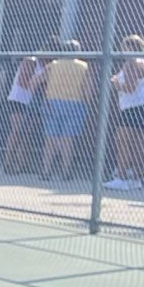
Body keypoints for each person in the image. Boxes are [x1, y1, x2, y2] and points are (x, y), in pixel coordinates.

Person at [108, 35, 144, 189]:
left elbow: (129, 87)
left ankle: (121, 177)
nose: (122, 50)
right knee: (139, 143)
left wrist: (116, 83)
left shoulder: (131, 62)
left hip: (132, 107)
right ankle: (136, 178)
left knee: (123, 141)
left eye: (125, 47)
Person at [38, 38, 90, 181]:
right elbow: (87, 89)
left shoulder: (53, 65)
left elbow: (36, 80)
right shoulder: (83, 66)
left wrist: (44, 97)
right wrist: (87, 104)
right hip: (75, 103)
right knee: (68, 140)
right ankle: (65, 171)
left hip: (52, 102)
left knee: (50, 139)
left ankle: (45, 170)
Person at [3, 50, 45, 174]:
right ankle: (8, 162)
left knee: (27, 133)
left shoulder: (48, 65)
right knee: (17, 131)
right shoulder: (31, 60)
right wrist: (40, 86)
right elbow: (23, 82)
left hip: (33, 103)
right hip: (19, 100)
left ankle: (20, 164)